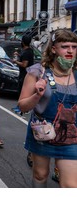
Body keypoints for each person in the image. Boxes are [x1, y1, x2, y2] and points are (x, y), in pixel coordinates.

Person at [18, 29, 77, 188]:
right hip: (43, 133)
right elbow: (22, 105)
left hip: (71, 137)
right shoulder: (38, 71)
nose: (70, 50)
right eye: (65, 46)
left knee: (71, 185)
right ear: (53, 49)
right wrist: (37, 94)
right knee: (40, 174)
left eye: (74, 46)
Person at [12, 35, 34, 115]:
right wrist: (18, 55)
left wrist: (15, 62)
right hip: (25, 74)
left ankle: (22, 108)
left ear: (23, 42)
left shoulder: (27, 52)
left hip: (25, 75)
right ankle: (20, 107)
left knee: (22, 91)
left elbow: (24, 64)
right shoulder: (28, 50)